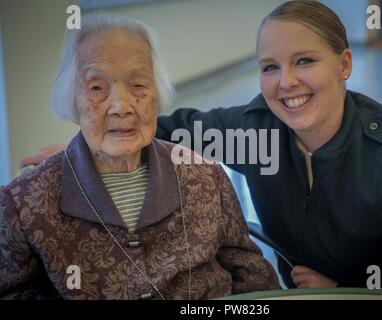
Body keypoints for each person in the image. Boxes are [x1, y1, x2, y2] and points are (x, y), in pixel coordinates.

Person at [19, 1, 382, 294]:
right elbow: (165, 126)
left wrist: (350, 292)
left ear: (344, 65)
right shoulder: (256, 129)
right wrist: (88, 147)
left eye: (305, 61)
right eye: (269, 67)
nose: (286, 83)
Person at [0, 13, 279, 300]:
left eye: (138, 86)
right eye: (97, 88)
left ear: (157, 94)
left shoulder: (207, 177)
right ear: (72, 100)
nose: (122, 106)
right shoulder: (23, 204)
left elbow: (256, 285)